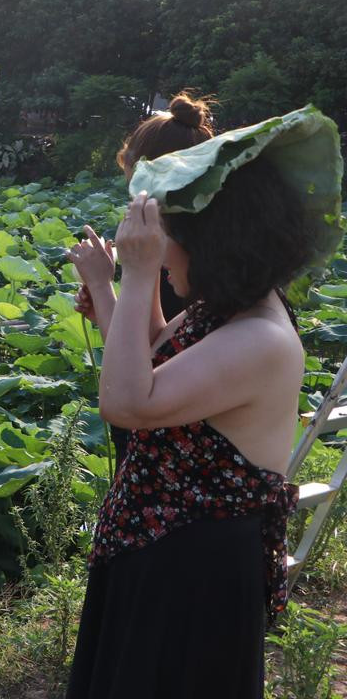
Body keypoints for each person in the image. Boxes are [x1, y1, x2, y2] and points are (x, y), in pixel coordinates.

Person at [65, 106, 343, 699]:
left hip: (195, 571)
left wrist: (136, 277)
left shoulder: (262, 338)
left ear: (217, 242)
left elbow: (127, 401)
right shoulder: (226, 310)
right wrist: (109, 291)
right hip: (159, 550)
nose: (164, 258)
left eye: (172, 242)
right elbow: (156, 360)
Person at [72, 93, 215, 468]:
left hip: (165, 459)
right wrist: (106, 306)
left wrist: (104, 287)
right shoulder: (189, 245)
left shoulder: (179, 258)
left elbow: (143, 364)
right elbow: (146, 343)